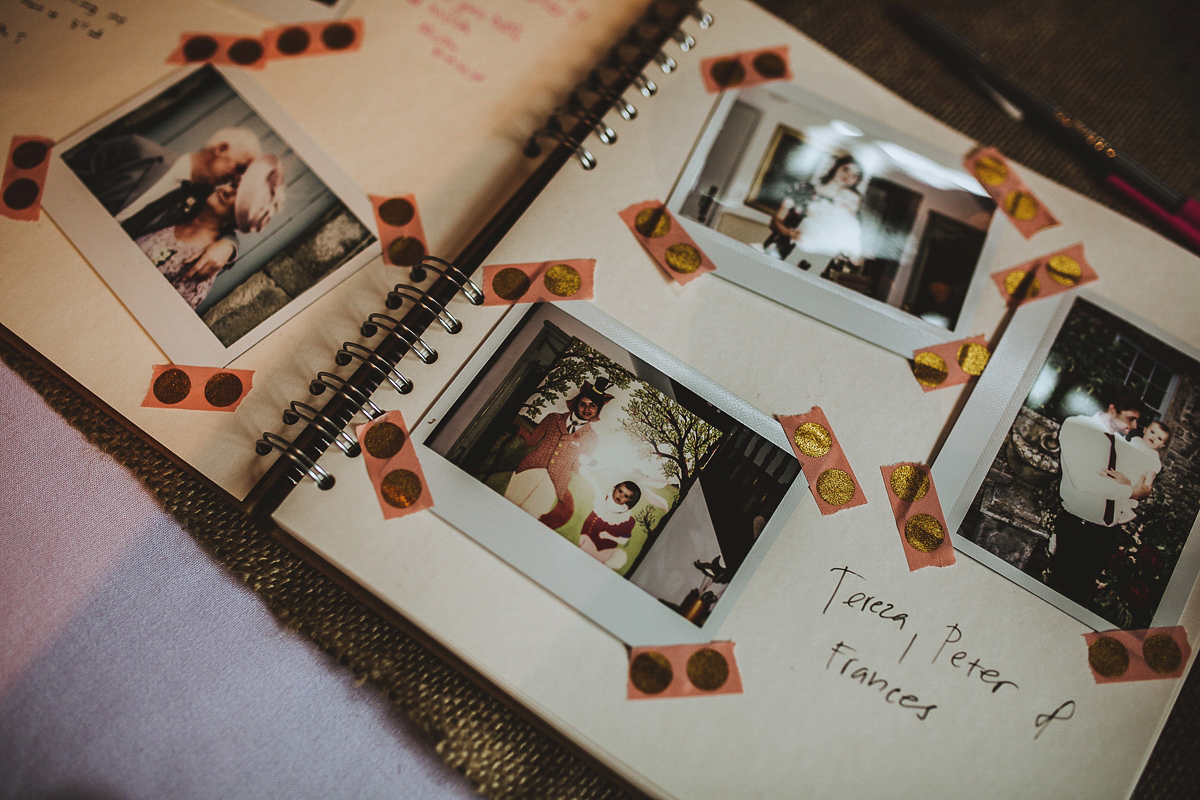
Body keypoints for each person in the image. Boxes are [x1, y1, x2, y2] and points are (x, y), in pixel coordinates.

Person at [65, 127, 262, 282]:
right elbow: (65, 174)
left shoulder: (202, 203)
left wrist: (229, 246)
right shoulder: (136, 149)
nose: (237, 178)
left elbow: (226, 225)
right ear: (220, 149)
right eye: (239, 168)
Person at [129, 154, 284, 310]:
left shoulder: (203, 264)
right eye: (234, 185)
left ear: (238, 218)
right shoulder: (184, 203)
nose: (229, 191)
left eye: (239, 199)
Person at [1049, 388, 1144, 603]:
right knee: (1059, 594)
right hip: (1078, 529)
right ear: (1113, 409)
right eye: (1131, 418)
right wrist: (1131, 491)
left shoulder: (1121, 444)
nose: (1135, 426)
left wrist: (1128, 485)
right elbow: (1084, 482)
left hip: (1106, 535)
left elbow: (1130, 480)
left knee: (1079, 599)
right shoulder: (1078, 427)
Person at [504, 378, 614, 525]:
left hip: (555, 483)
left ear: (597, 411)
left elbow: (577, 466)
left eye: (592, 406)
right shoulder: (553, 418)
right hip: (529, 470)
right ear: (576, 404)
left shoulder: (591, 438)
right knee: (506, 504)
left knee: (529, 518)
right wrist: (517, 428)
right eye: (583, 404)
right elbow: (532, 440)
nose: (587, 409)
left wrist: (594, 470)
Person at [763, 155, 865, 266]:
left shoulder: (849, 208)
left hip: (814, 263)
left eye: (854, 175)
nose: (848, 176)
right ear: (836, 167)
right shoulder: (803, 189)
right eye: (845, 169)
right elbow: (775, 222)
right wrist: (790, 233)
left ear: (856, 181)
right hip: (777, 253)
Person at [577, 481, 641, 570]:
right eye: (620, 491)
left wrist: (608, 536)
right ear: (614, 489)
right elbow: (589, 521)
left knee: (594, 568)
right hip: (588, 540)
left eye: (626, 496)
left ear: (629, 500)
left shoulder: (627, 520)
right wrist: (584, 535)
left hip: (605, 549)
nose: (621, 496)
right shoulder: (601, 504)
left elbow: (623, 540)